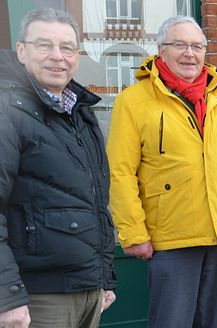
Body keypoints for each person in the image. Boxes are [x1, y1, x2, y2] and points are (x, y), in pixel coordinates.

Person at [107, 16, 217, 328]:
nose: (189, 53)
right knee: (172, 322)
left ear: (205, 52)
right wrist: (133, 232)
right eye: (179, 45)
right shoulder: (134, 101)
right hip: (172, 236)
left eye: (196, 46)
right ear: (160, 50)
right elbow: (120, 172)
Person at [0, 8, 117, 328]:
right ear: (21, 51)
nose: (57, 56)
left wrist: (104, 276)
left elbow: (95, 202)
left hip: (86, 289)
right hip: (37, 296)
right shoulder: (7, 109)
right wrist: (7, 298)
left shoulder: (80, 112)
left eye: (67, 47)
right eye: (43, 45)